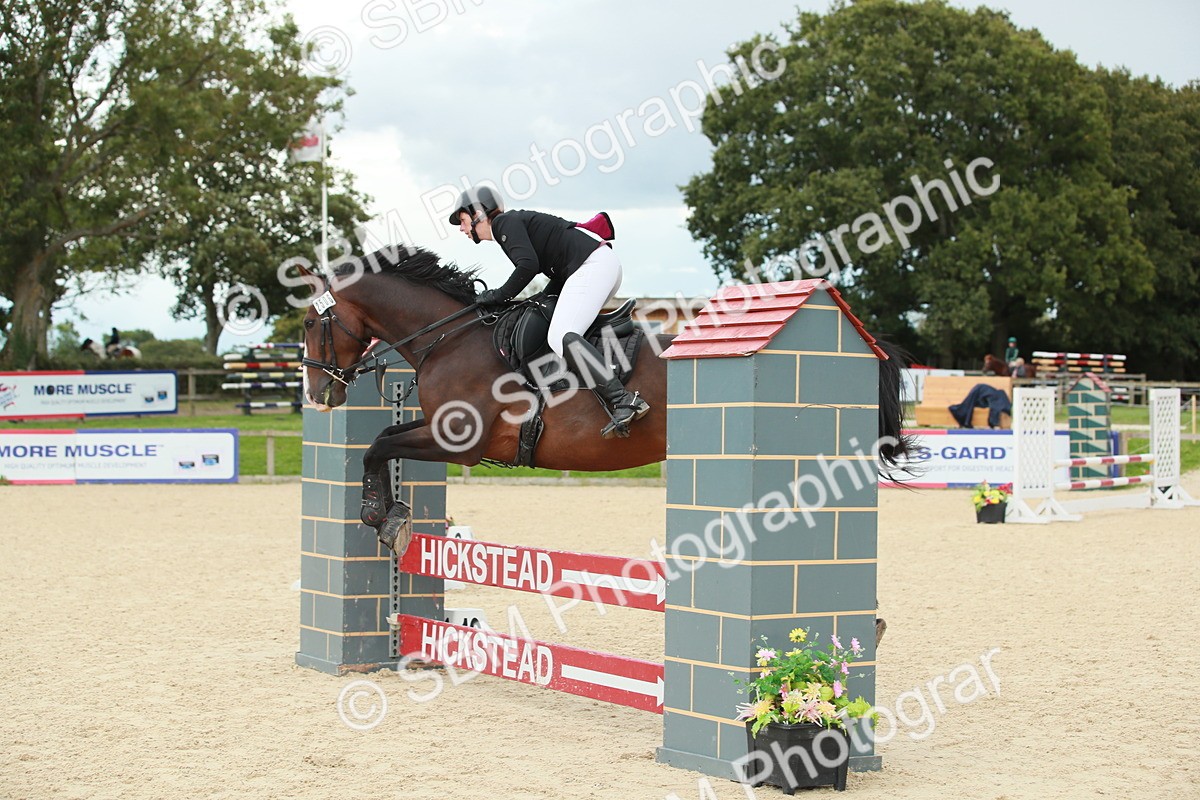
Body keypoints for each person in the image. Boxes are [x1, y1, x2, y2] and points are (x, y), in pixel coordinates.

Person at [448, 185, 649, 439]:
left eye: (463, 220)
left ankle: (623, 399)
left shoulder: (504, 224)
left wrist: (495, 296)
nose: (461, 228)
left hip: (593, 265)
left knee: (561, 335)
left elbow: (527, 266)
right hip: (595, 265)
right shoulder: (511, 225)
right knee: (558, 325)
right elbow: (549, 272)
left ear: (478, 212)